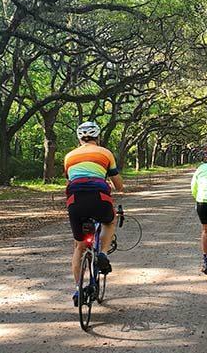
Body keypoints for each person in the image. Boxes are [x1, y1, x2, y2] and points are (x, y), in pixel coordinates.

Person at [64, 121, 124, 305]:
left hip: (75, 200)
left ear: (79, 138)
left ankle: (77, 290)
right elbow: (118, 184)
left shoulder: (69, 156)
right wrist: (119, 187)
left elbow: (70, 179)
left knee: (79, 247)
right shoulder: (105, 153)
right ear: (97, 137)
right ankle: (103, 253)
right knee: (110, 221)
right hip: (99, 196)